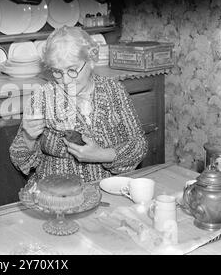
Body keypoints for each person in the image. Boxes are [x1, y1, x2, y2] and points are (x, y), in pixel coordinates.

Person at [9, 26, 148, 183]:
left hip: (108, 187)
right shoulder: (42, 97)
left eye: (72, 70)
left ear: (90, 60)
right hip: (56, 191)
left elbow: (139, 146)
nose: (66, 80)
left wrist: (101, 155)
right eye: (57, 72)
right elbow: (19, 159)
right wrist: (28, 137)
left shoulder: (113, 90)